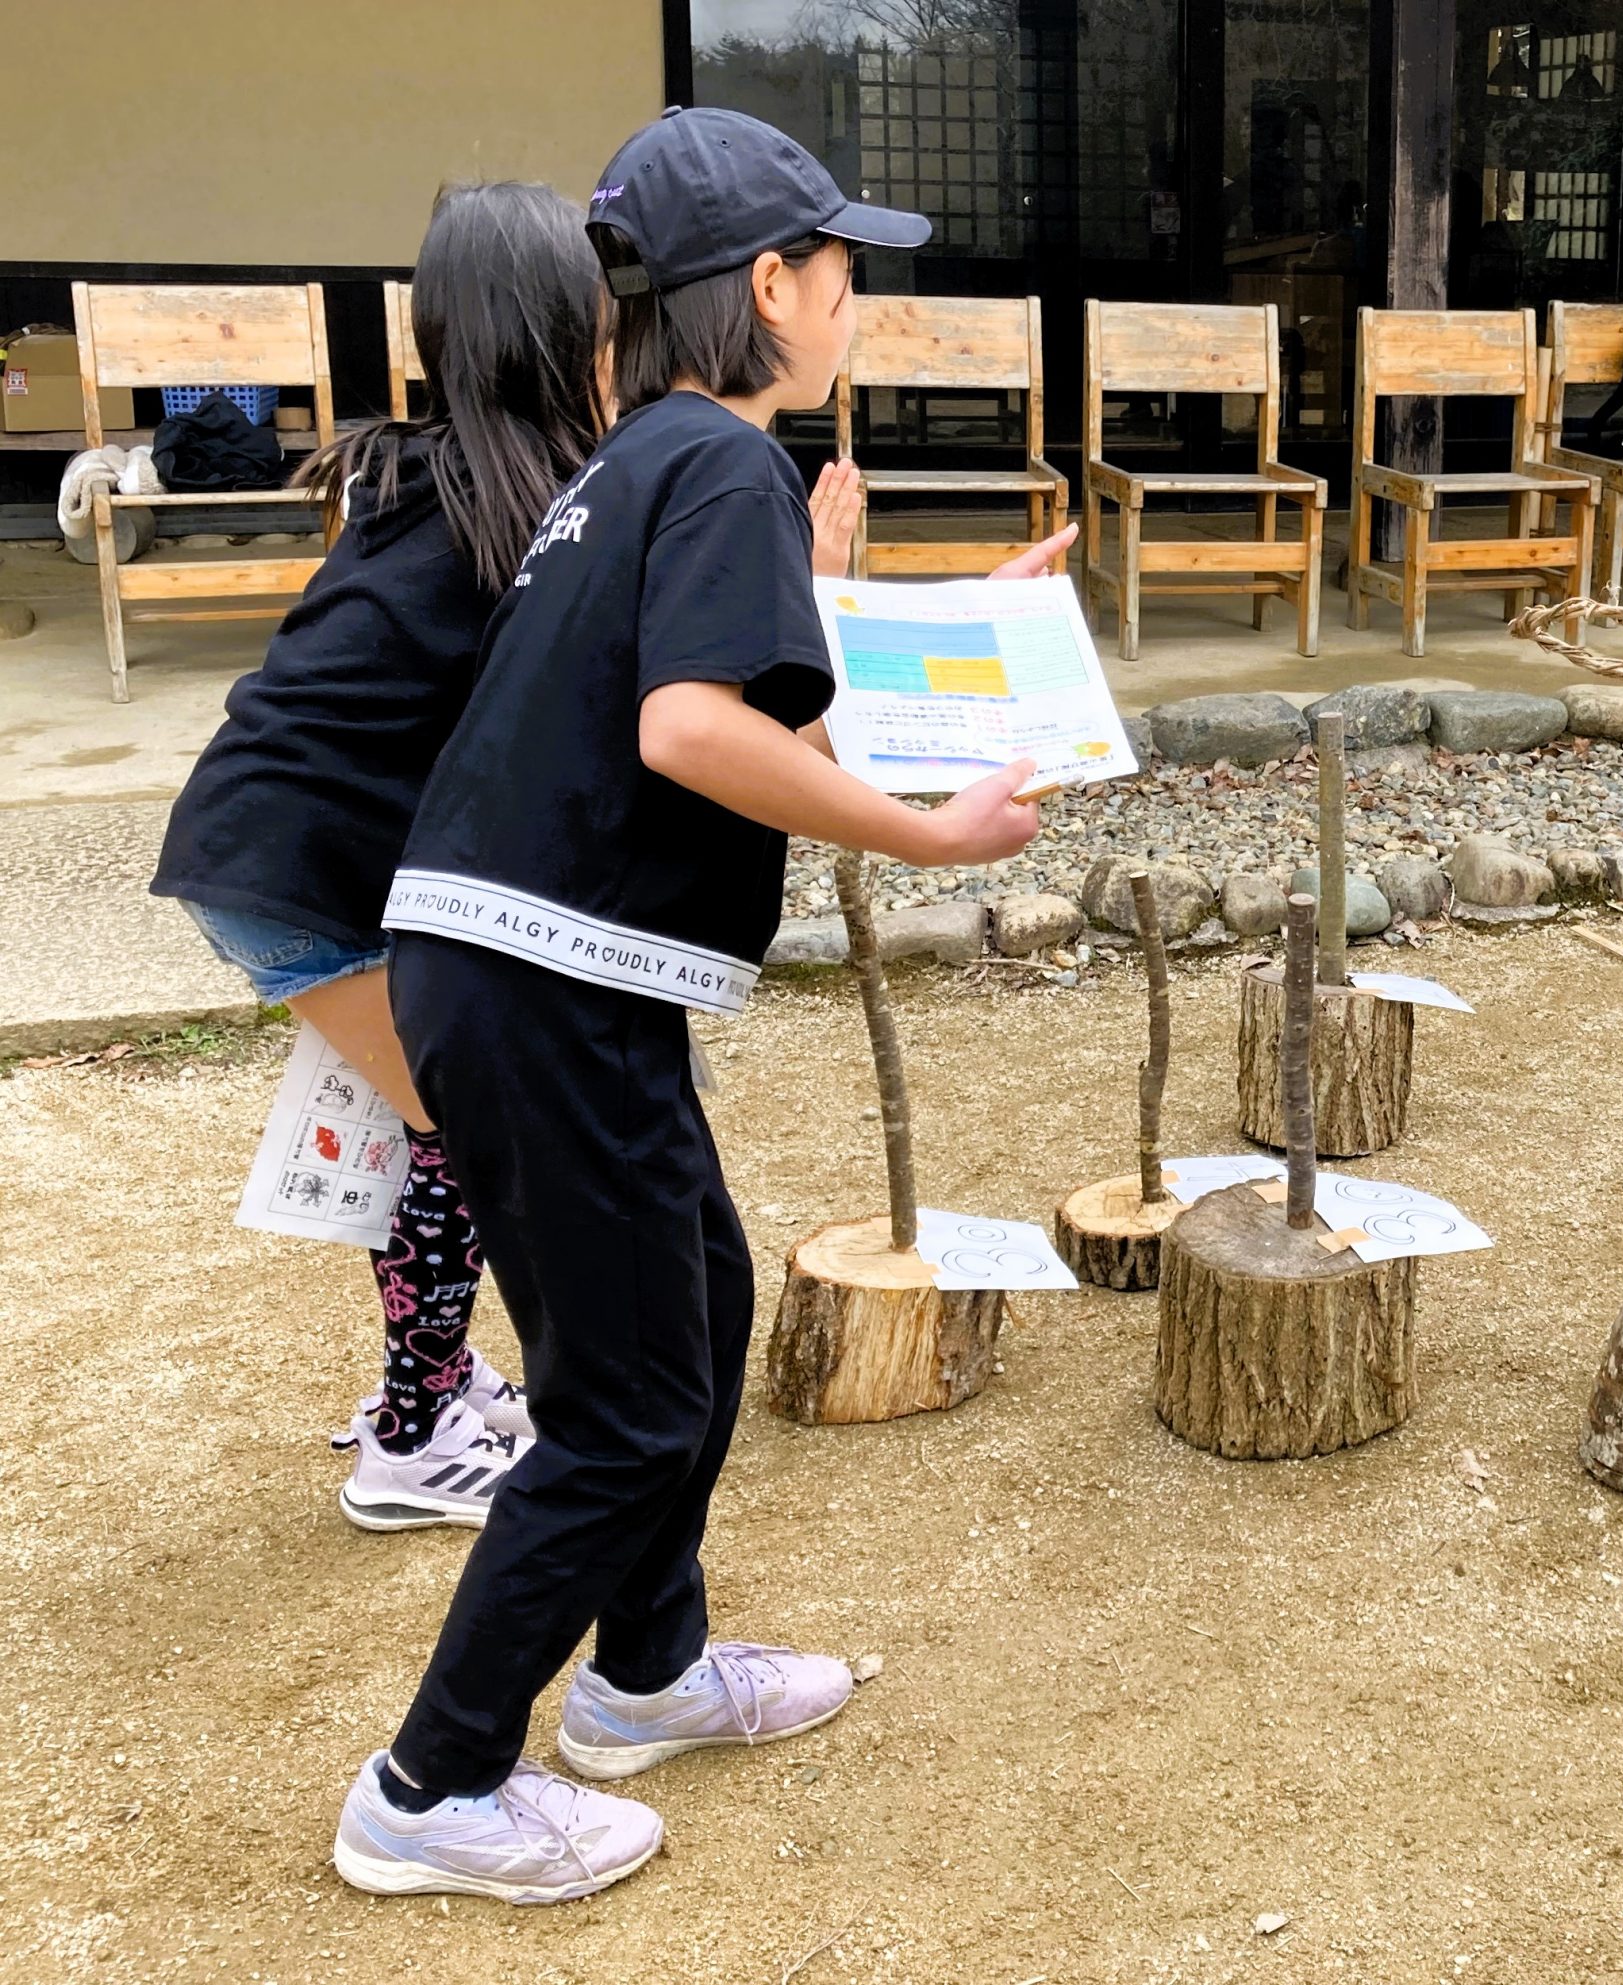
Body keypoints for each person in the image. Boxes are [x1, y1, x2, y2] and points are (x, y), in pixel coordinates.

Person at [329, 108, 1052, 1906]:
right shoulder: (718, 462)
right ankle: (432, 1783)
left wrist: (949, 621)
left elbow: (740, 684)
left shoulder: (646, 457)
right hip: (541, 978)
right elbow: (695, 730)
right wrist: (926, 832)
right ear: (768, 288)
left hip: (519, 968)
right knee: (636, 1398)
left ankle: (645, 1682)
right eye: (839, 268)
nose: (855, 299)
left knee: (684, 1314)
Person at [150, 184, 872, 1535]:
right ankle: (414, 1439)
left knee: (426, 1121)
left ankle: (431, 1383)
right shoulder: (545, 508)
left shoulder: (438, 467)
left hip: (275, 853)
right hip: (305, 870)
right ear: (579, 341)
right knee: (456, 1140)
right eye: (622, 322)